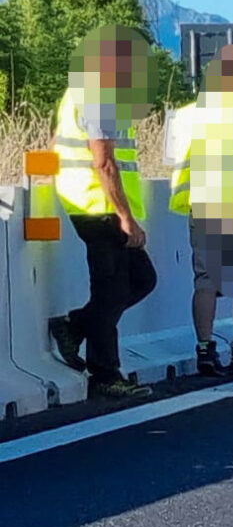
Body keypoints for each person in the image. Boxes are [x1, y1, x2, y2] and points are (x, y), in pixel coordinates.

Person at [48, 25, 158, 398]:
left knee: (140, 280)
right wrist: (125, 217)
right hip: (97, 206)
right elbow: (105, 162)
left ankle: (76, 326)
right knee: (112, 289)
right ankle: (105, 375)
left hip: (93, 203)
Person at [166, 44, 233, 375]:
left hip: (203, 206)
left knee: (207, 281)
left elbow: (171, 159)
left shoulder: (184, 115)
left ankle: (205, 350)